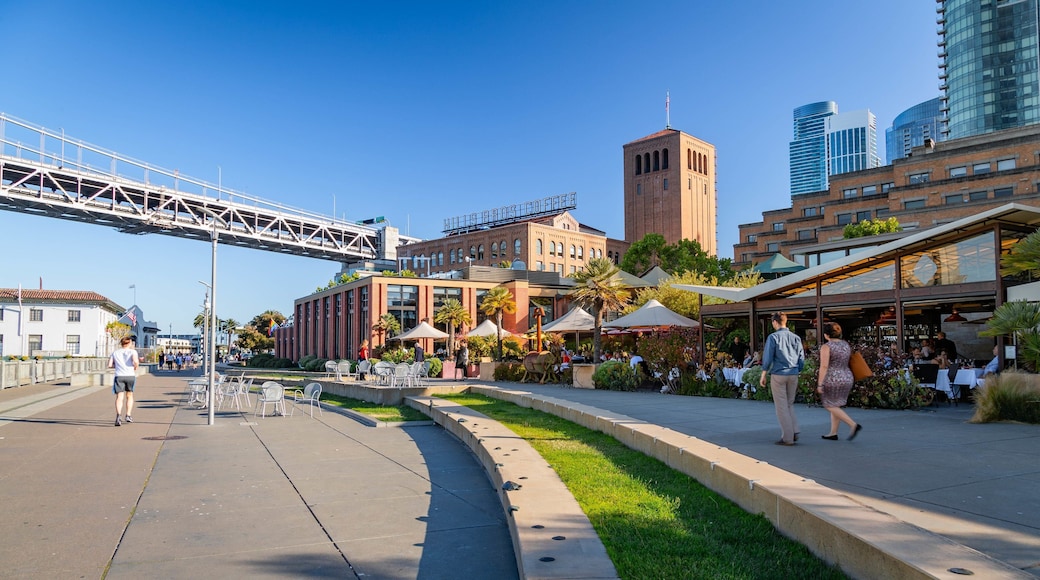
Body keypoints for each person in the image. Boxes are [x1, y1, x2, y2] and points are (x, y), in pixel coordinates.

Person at [759, 312, 804, 446]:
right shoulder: (796, 338)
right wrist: (798, 369)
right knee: (789, 404)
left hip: (779, 373)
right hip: (793, 372)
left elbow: (768, 357)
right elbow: (801, 357)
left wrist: (763, 374)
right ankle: (794, 430)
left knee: (781, 407)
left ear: (775, 322)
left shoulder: (773, 337)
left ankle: (788, 437)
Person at [816, 322, 862, 441]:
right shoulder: (845, 345)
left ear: (826, 335)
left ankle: (853, 424)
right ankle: (833, 432)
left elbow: (824, 366)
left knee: (829, 404)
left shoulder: (826, 347)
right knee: (835, 404)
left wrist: (820, 384)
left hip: (833, 378)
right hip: (847, 376)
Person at [108, 336, 140, 427]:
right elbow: (135, 361)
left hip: (119, 375)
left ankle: (118, 416)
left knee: (119, 397)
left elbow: (109, 365)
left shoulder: (115, 352)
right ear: (129, 343)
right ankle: (128, 415)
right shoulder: (133, 352)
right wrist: (135, 367)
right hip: (130, 375)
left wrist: (117, 366)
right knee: (129, 395)